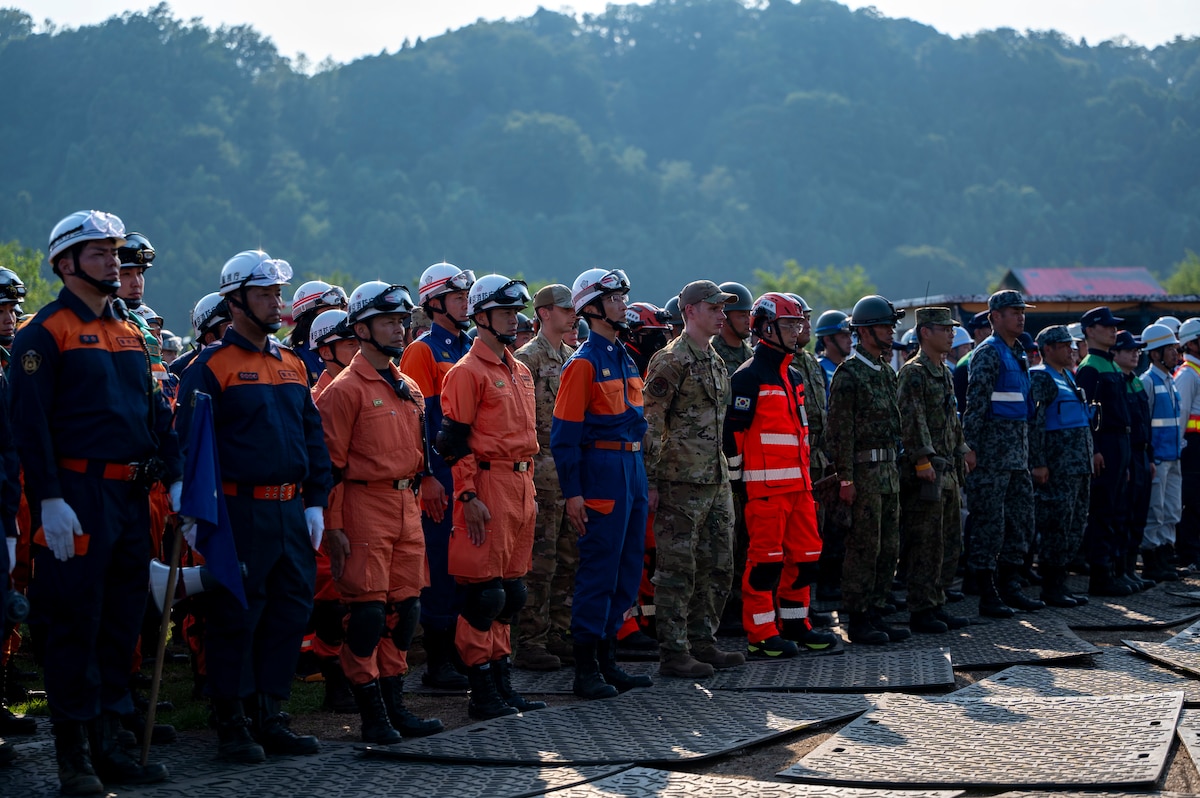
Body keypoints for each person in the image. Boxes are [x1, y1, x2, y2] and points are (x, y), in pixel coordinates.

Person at [12, 210, 182, 792]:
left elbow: (155, 408)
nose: (114, 260)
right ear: (66, 263)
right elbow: (29, 428)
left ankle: (112, 746)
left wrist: (176, 471)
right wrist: (50, 499)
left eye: (115, 251)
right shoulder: (44, 332)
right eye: (99, 252)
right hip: (77, 496)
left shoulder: (133, 330)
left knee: (122, 623)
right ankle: (74, 756)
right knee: (74, 624)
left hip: (132, 495)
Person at [176, 249, 332, 763]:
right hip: (239, 512)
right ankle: (232, 722)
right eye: (265, 294)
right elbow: (190, 445)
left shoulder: (290, 362)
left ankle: (271, 715)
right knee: (238, 615)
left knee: (288, 611)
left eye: (277, 293)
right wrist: (193, 510)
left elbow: (312, 436)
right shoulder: (210, 367)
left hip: (290, 510)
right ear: (236, 301)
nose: (276, 303)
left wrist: (315, 500)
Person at [316, 281, 443, 742]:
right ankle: (370, 711)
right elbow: (327, 466)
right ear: (362, 327)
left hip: (405, 504)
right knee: (367, 615)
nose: (400, 328)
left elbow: (420, 450)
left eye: (402, 320)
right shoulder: (344, 391)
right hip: (362, 505)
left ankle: (395, 705)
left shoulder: (406, 385)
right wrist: (333, 526)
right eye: (389, 321)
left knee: (405, 611)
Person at [438, 274, 545, 719]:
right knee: (484, 596)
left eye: (515, 311)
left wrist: (531, 488)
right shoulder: (466, 372)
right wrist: (466, 494)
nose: (513, 319)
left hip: (521, 484)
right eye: (504, 312)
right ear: (481, 317)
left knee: (512, 593)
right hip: (486, 486)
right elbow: (452, 441)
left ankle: (503, 684)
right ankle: (480, 691)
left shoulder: (518, 369)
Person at [552, 268, 651, 700]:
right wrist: (573, 493)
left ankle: (609, 662)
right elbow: (564, 436)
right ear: (591, 308)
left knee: (627, 571)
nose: (623, 304)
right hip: (602, 472)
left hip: (632, 470)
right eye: (614, 298)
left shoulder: (623, 356)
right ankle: (586, 669)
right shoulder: (584, 363)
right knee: (599, 571)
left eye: (623, 297)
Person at [724, 292, 837, 656]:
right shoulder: (747, 378)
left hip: (800, 489)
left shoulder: (794, 375)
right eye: (789, 324)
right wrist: (739, 484)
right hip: (765, 491)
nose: (796, 330)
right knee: (764, 566)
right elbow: (733, 436)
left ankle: (795, 624)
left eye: (798, 324)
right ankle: (760, 634)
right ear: (766, 327)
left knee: (805, 559)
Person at [642, 280, 740, 677]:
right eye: (713, 307)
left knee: (718, 564)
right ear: (690, 312)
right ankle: (674, 651)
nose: (721, 314)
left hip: (714, 479)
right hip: (680, 480)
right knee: (677, 568)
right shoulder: (671, 361)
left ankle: (703, 642)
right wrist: (649, 481)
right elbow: (650, 424)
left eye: (723, 308)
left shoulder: (715, 360)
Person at [398, 262, 474, 690]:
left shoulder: (469, 346)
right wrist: (427, 474)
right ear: (435, 302)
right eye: (458, 297)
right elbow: (420, 420)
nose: (465, 303)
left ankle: (463, 652)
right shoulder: (423, 351)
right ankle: (438, 661)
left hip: (469, 471)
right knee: (442, 565)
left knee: (468, 562)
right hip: (441, 473)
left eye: (466, 297)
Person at [827, 294, 909, 645]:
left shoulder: (886, 372)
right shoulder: (850, 374)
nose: (891, 331)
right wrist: (845, 477)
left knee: (888, 546)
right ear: (864, 331)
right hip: (863, 473)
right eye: (884, 326)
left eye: (891, 325)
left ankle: (876, 610)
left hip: (888, 470)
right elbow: (839, 431)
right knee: (864, 547)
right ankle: (858, 618)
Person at [962, 290, 1044, 616]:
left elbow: (1026, 410)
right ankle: (987, 592)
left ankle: (1011, 586)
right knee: (989, 524)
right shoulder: (988, 353)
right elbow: (975, 406)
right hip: (992, 457)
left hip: (1017, 457)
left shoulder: (1020, 352)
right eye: (1013, 311)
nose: (1020, 316)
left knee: (1020, 521)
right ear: (995, 317)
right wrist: (970, 448)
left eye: (1022, 311)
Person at [512, 285, 579, 671]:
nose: (573, 315)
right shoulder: (527, 360)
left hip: (568, 470)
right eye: (565, 309)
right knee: (541, 561)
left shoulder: (571, 358)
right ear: (544, 313)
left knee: (569, 557)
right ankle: (531, 640)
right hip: (540, 472)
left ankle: (557, 632)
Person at [896, 308, 974, 634]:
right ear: (925, 332)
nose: (951, 334)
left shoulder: (942, 370)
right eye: (944, 329)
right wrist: (922, 460)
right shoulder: (914, 372)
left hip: (947, 469)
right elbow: (912, 419)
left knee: (948, 541)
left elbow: (951, 419)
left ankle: (937, 601)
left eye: (952, 329)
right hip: (927, 471)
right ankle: (922, 607)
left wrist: (963, 449)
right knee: (925, 541)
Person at [1028, 326, 1093, 607]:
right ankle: (1051, 588)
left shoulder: (1068, 375)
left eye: (1071, 345)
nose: (1071, 350)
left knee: (1074, 525)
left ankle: (1061, 584)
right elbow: (1036, 423)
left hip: (1078, 465)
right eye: (1064, 345)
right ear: (1048, 349)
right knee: (1056, 525)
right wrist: (1039, 462)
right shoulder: (1041, 377)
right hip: (1058, 467)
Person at [1075, 306, 1135, 596]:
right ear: (1090, 331)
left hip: (1121, 443)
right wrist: (1095, 449)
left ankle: (1115, 570)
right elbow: (1087, 415)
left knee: (1118, 509)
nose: (1113, 330)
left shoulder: (1110, 365)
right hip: (1106, 443)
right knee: (1103, 511)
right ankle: (1100, 575)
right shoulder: (1089, 368)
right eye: (1107, 326)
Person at [1140, 323, 1184, 581]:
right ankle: (1151, 558)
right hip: (1158, 457)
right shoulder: (1148, 382)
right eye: (1170, 349)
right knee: (1154, 509)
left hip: (1173, 456)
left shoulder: (1170, 381)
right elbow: (1144, 423)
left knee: (1172, 508)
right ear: (1155, 354)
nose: (1175, 354)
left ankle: (1166, 555)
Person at [1114, 330, 1156, 590]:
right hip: (1126, 455)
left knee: (1139, 514)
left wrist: (1149, 457)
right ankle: (1120, 570)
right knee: (1124, 514)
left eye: (1137, 349)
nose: (1135, 353)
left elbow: (1145, 424)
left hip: (1141, 455)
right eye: (1129, 349)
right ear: (1115, 353)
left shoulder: (1136, 382)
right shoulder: (1116, 381)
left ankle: (1131, 569)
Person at [287, 280, 349, 386]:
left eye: (338, 311)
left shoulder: (353, 351)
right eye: (329, 312)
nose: (337, 318)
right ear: (306, 319)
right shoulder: (294, 362)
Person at [1177, 318, 1200, 569]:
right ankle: (1188, 553)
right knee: (1192, 502)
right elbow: (1181, 413)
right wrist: (1179, 445)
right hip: (1191, 446)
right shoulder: (1187, 374)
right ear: (1191, 344)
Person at [171, 293, 230, 376]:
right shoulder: (179, 370)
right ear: (210, 338)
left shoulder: (248, 360)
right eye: (229, 327)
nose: (236, 334)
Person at [713, 282, 754, 378]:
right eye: (742, 315)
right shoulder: (711, 355)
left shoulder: (753, 356)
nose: (748, 321)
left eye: (749, 315)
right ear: (724, 317)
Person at [814, 309, 852, 401]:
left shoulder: (852, 368)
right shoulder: (818, 370)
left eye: (849, 336)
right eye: (844, 336)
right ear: (827, 340)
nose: (850, 341)